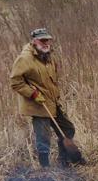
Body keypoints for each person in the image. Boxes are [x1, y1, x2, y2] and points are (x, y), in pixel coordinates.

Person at [10, 28, 78, 167]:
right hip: (37, 106)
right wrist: (33, 94)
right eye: (42, 40)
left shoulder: (47, 57)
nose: (46, 43)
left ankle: (63, 162)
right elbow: (16, 82)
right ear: (34, 41)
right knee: (43, 139)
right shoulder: (25, 59)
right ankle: (45, 170)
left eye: (47, 40)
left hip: (52, 102)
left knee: (68, 129)